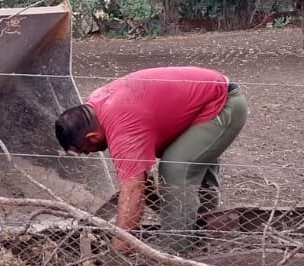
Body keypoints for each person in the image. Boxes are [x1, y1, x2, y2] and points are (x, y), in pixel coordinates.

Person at [55, 66, 246, 254]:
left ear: (91, 137)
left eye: (83, 150)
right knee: (185, 159)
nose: (88, 154)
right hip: (207, 99)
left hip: (222, 104)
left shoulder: (122, 124)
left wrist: (120, 249)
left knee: (176, 167)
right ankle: (206, 226)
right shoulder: (97, 105)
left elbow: (133, 190)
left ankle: (175, 247)